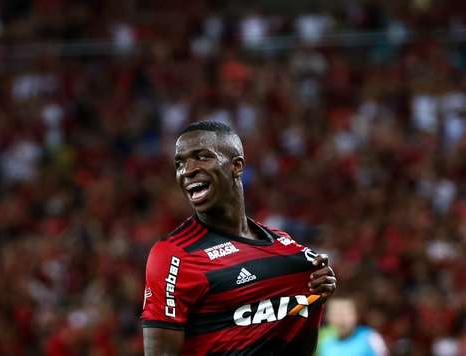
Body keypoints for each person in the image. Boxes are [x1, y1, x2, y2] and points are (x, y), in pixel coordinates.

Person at [141, 120, 337, 355]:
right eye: (179, 163)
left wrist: (316, 295)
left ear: (236, 166)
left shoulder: (288, 251)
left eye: (202, 157)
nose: (188, 170)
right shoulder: (175, 255)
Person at [317, 297, 388, 356]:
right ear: (328, 317)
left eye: (345, 314)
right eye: (336, 314)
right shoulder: (324, 342)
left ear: (356, 315)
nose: (341, 319)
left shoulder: (371, 338)